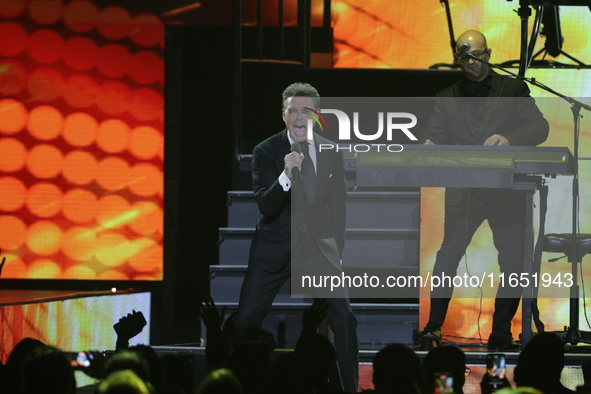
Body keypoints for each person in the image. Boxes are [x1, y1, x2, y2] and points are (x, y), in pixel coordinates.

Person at [417, 30, 549, 351]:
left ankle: (500, 332)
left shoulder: (512, 88)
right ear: (458, 60)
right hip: (465, 189)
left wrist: (508, 138)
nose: (470, 63)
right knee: (448, 254)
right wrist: (430, 145)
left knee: (514, 260)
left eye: (476, 56)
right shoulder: (446, 97)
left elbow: (539, 127)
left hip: (506, 189)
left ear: (488, 54)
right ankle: (434, 327)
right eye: (464, 58)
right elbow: (434, 136)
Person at [236, 82, 359, 391]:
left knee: (344, 319)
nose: (299, 117)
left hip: (318, 250)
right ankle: (241, 386)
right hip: (274, 248)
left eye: (306, 111)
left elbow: (339, 208)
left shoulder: (332, 152)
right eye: (293, 110)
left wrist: (337, 253)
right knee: (246, 320)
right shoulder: (266, 151)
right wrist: (286, 175)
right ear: (283, 116)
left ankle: (348, 388)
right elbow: (266, 204)